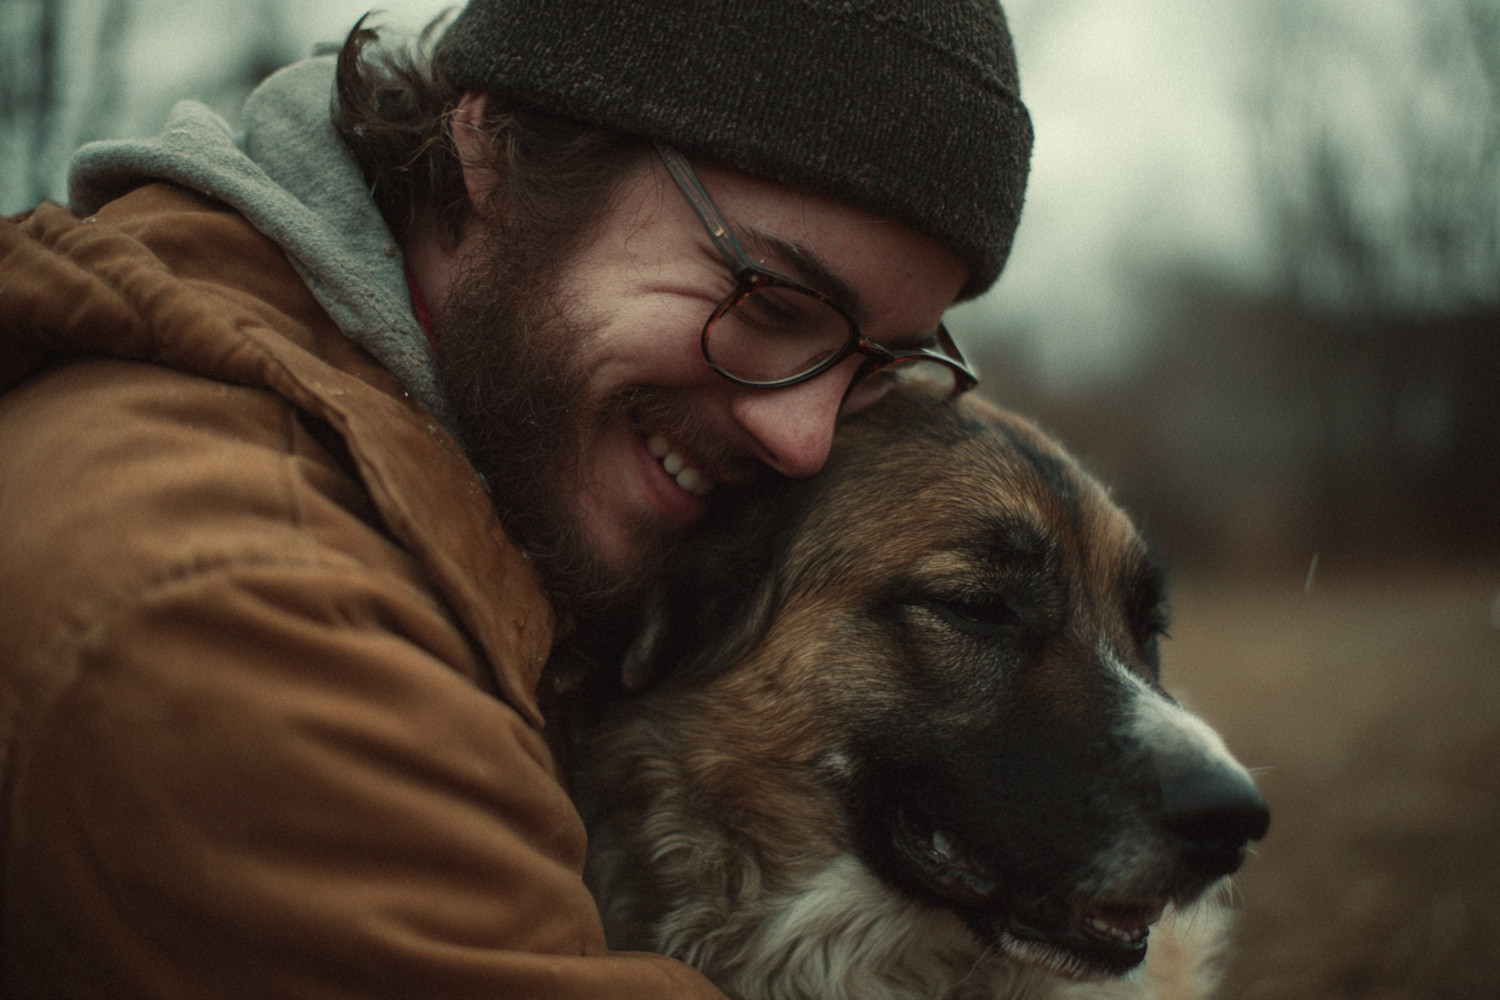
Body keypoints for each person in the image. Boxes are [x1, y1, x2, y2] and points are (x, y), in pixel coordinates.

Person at [0, 0, 1031, 995]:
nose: (806, 438)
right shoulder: (242, 600)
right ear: (494, 149)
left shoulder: (495, 491)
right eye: (770, 300)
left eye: (879, 369)